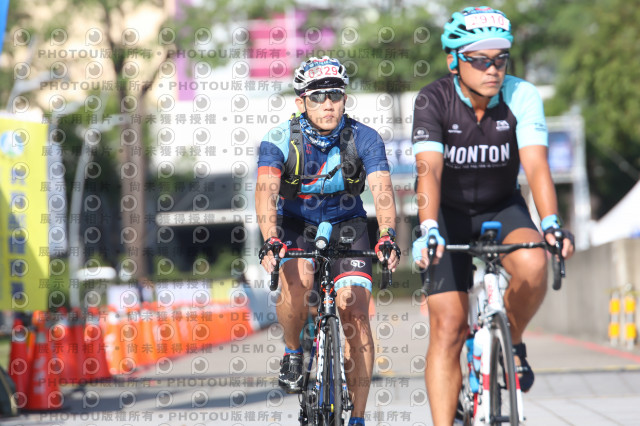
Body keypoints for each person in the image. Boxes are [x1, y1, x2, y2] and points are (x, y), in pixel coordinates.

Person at [410, 6, 575, 425]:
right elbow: (429, 172)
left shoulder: (522, 95)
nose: (493, 69)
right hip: (446, 214)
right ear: (454, 61)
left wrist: (551, 224)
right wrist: (428, 228)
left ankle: (512, 341)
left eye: (501, 58)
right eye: (480, 60)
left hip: (501, 206)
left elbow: (536, 166)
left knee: (534, 262)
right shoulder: (433, 99)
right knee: (449, 327)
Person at [255, 56, 400, 425]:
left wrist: (387, 234)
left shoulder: (365, 137)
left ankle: (358, 418)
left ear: (344, 99)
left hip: (348, 224)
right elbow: (266, 192)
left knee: (355, 313)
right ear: (301, 102)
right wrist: (270, 238)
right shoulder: (279, 139)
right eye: (317, 97)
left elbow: (382, 191)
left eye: (335, 95)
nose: (327, 104)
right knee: (299, 282)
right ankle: (293, 352)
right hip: (296, 223)